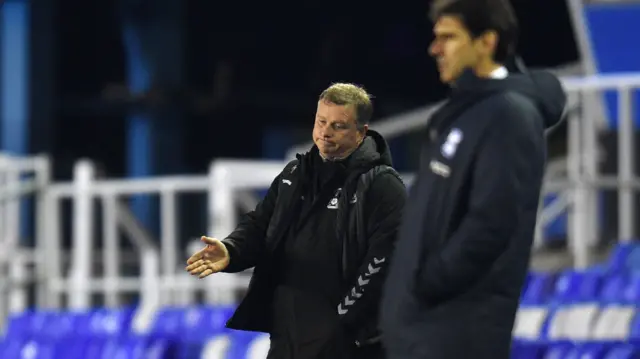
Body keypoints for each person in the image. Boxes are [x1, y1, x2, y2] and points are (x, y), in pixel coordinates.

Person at [380, 1, 567, 359]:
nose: (434, 49)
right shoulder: (462, 113)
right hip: (422, 333)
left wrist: (428, 283)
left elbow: (492, 223)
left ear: (486, 42)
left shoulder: (509, 115)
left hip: (455, 335)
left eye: (449, 38)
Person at [186, 83, 406, 359]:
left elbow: (384, 261)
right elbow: (260, 224)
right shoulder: (295, 174)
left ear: (361, 133)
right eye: (321, 122)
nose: (325, 133)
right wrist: (231, 250)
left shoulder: (382, 186)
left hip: (347, 343)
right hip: (287, 336)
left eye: (338, 126)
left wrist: (340, 320)